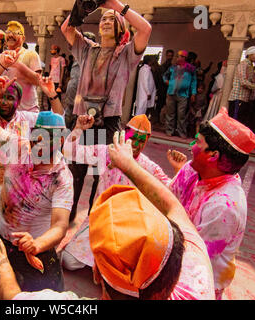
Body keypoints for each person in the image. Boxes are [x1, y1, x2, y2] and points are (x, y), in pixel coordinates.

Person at [0, 135, 215, 300]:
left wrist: (3, 269)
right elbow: (174, 207)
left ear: (96, 273)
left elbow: (14, 298)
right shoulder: (196, 278)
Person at [0, 76, 73, 293]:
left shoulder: (62, 178)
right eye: (35, 139)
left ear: (59, 141)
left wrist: (37, 245)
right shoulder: (19, 147)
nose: (38, 146)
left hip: (34, 245)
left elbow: (60, 226)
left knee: (53, 295)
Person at [61, 0, 151, 221]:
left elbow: (146, 29)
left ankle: (94, 226)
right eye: (104, 19)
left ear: (122, 28)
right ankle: (65, 223)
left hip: (108, 123)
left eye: (113, 20)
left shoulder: (126, 54)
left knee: (101, 179)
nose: (107, 21)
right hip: (82, 122)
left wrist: (114, 5)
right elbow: (66, 28)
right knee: (74, 175)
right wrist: (84, 8)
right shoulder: (86, 49)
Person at [0, 57, 64, 231]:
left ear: (19, 101)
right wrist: (0, 65)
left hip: (12, 201)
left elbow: (58, 120)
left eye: (10, 98)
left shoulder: (26, 119)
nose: (4, 102)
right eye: (2, 97)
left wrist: (51, 94)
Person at [168, 107, 255, 299]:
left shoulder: (224, 207)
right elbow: (166, 199)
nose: (192, 146)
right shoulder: (192, 170)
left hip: (195, 281)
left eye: (197, 142)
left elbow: (193, 261)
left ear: (213, 155)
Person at [61, 114, 171, 271]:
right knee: (68, 261)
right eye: (133, 138)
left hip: (128, 230)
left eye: (142, 141)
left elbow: (171, 188)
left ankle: (106, 267)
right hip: (100, 221)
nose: (136, 145)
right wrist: (78, 129)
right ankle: (103, 266)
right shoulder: (107, 153)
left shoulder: (148, 166)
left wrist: (180, 170)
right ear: (124, 134)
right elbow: (70, 152)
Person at [0, 20, 42, 113]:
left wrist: (17, 65)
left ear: (23, 38)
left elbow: (38, 81)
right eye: (8, 32)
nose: (11, 35)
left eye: (16, 32)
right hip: (5, 111)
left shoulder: (31, 54)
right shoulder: (1, 57)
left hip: (26, 111)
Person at [62, 32, 96, 129]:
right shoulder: (78, 56)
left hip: (88, 98)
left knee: (89, 123)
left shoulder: (97, 58)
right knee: (68, 119)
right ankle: (65, 140)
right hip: (73, 93)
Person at [163, 50, 197, 138]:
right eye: (177, 56)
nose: (178, 58)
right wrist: (167, 82)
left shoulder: (191, 69)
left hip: (183, 95)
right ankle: (169, 131)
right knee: (170, 113)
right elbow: (164, 76)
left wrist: (193, 93)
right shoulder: (173, 67)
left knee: (181, 115)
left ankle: (181, 132)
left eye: (180, 56)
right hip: (171, 93)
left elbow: (194, 81)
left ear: (184, 58)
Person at [228, 46, 255, 122]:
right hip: (238, 97)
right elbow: (243, 81)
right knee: (235, 121)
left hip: (244, 98)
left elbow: (252, 79)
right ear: (250, 54)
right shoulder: (243, 65)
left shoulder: (250, 66)